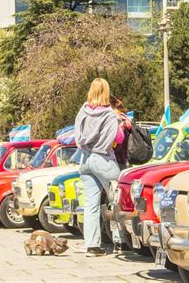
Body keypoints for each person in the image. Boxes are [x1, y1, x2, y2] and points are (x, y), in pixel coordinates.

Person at [75, 78, 123, 257]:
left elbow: (77, 136)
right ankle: (121, 240)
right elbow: (117, 138)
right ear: (106, 92)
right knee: (118, 196)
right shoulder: (109, 114)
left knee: (91, 204)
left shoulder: (83, 110)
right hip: (102, 159)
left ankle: (92, 246)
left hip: (85, 159)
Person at [110, 96, 132, 170]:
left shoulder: (118, 121)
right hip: (127, 158)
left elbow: (118, 145)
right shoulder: (125, 119)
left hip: (119, 160)